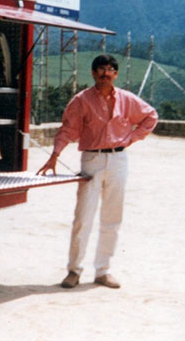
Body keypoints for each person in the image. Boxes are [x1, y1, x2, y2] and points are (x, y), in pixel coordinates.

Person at [37, 54, 158, 289]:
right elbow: (68, 129)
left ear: (116, 74)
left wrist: (131, 138)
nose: (106, 74)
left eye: (110, 70)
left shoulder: (126, 99)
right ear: (93, 73)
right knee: (83, 216)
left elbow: (151, 116)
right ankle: (74, 271)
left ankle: (103, 271)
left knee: (112, 216)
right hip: (92, 159)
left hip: (118, 159)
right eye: (101, 69)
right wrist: (55, 155)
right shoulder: (81, 100)